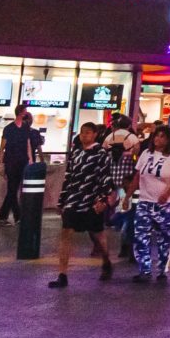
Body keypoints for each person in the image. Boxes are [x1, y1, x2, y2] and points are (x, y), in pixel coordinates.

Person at [49, 123, 117, 288]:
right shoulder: (76, 152)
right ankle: (62, 274)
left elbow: (106, 177)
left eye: (88, 133)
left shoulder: (101, 154)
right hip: (74, 199)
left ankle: (106, 260)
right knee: (66, 233)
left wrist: (103, 199)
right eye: (82, 133)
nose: (84, 136)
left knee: (97, 233)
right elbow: (68, 176)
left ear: (95, 134)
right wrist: (62, 200)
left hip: (92, 199)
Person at [128, 125, 170, 282]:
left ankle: (162, 269)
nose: (158, 139)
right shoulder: (146, 154)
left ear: (169, 140)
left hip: (165, 205)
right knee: (140, 236)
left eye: (162, 136)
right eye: (156, 136)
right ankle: (144, 269)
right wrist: (128, 196)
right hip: (145, 201)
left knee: (164, 237)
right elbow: (138, 175)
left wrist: (166, 194)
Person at [0, 109, 36, 225]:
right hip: (11, 162)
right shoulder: (9, 129)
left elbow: (28, 145)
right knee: (13, 189)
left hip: (22, 162)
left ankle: (5, 217)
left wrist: (30, 160)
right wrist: (1, 164)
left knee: (12, 190)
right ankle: (16, 217)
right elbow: (1, 148)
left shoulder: (25, 129)